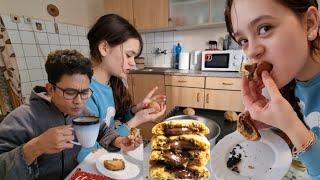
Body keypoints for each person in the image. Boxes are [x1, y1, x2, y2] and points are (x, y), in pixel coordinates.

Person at [0, 50, 139, 180]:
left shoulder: (83, 112)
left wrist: (119, 141)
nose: (79, 101)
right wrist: (36, 146)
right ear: (51, 89)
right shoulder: (22, 118)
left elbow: (101, 130)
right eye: (70, 92)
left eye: (84, 92)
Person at [224, 0, 320, 178]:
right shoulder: (288, 82)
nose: (251, 52)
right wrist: (276, 123)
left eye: (264, 28)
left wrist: (292, 126)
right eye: (243, 40)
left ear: (310, 23)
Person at [77, 14, 166, 162]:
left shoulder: (112, 83)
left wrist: (137, 110)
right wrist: (136, 121)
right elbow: (89, 153)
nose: (133, 63)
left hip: (111, 155)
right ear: (104, 48)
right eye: (129, 55)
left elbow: (113, 121)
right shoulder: (84, 94)